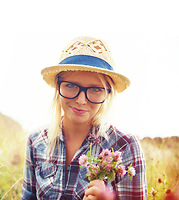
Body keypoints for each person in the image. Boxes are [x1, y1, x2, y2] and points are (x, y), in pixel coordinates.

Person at [21, 36, 147, 199]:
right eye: (71, 86)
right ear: (58, 86)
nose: (81, 100)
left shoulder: (124, 147)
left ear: (107, 93)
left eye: (95, 89)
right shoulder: (36, 141)